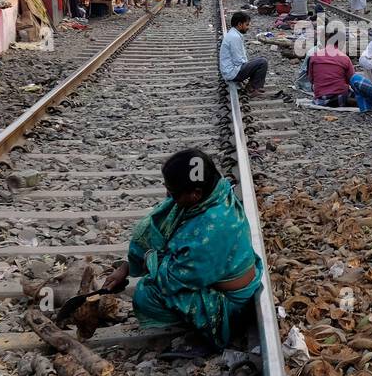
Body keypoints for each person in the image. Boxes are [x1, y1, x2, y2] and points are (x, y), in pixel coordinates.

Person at [105, 149, 262, 349]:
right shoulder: (214, 192)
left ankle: (207, 327)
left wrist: (150, 261)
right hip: (216, 275)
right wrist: (127, 267)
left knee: (146, 294)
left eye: (173, 192)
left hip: (230, 304)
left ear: (195, 194)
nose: (169, 196)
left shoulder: (210, 228)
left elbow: (171, 280)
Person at [307, 20, 356, 107]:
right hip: (340, 95)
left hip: (320, 98)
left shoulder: (314, 56)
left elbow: (311, 79)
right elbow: (352, 80)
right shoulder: (344, 58)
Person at [219, 11, 268, 94]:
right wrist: (247, 67)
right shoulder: (234, 37)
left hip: (231, 71)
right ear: (240, 24)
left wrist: (248, 66)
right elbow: (238, 60)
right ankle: (253, 88)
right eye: (247, 24)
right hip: (232, 72)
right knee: (262, 62)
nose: (248, 27)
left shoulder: (233, 34)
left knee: (258, 60)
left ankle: (251, 85)